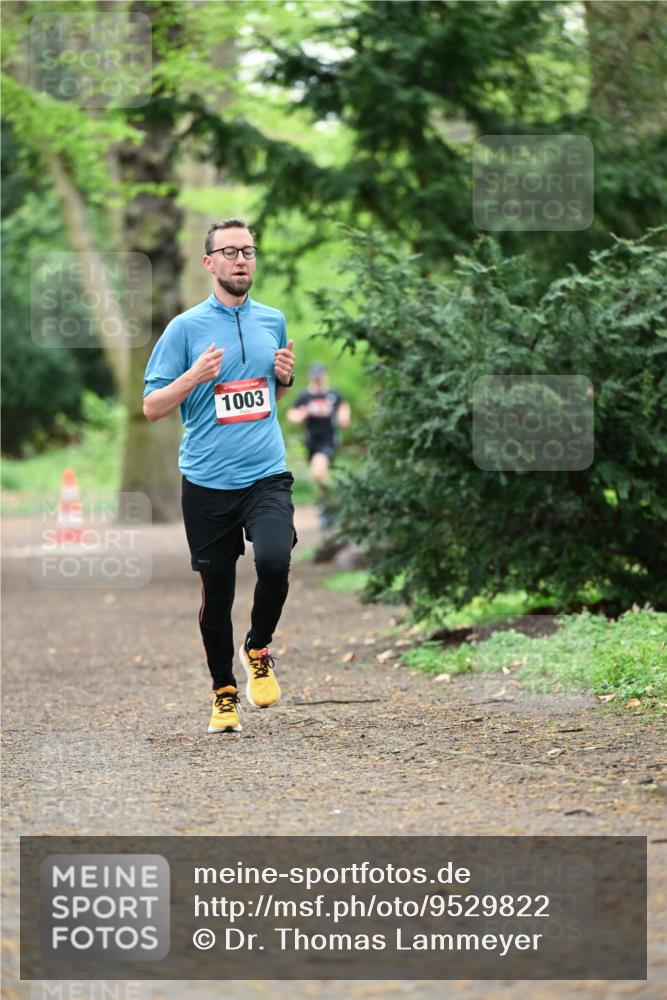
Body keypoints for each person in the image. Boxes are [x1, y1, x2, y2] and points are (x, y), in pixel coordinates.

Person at [143, 219, 296, 735]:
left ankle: (258, 645)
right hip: (208, 482)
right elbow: (151, 406)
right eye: (228, 251)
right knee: (218, 593)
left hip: (266, 473)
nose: (240, 259)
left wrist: (284, 378)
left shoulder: (272, 320)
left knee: (275, 561)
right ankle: (224, 692)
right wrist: (194, 376)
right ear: (208, 262)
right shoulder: (184, 329)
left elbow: (266, 396)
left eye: (248, 251)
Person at [287, 365, 350, 526]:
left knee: (318, 472)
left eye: (320, 377)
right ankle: (329, 506)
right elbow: (292, 415)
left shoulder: (333, 395)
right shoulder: (305, 396)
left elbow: (344, 407)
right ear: (310, 378)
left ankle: (332, 503)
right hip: (311, 442)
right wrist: (301, 415)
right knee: (319, 477)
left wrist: (344, 417)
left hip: (328, 440)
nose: (317, 380)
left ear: (325, 376)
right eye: (315, 377)